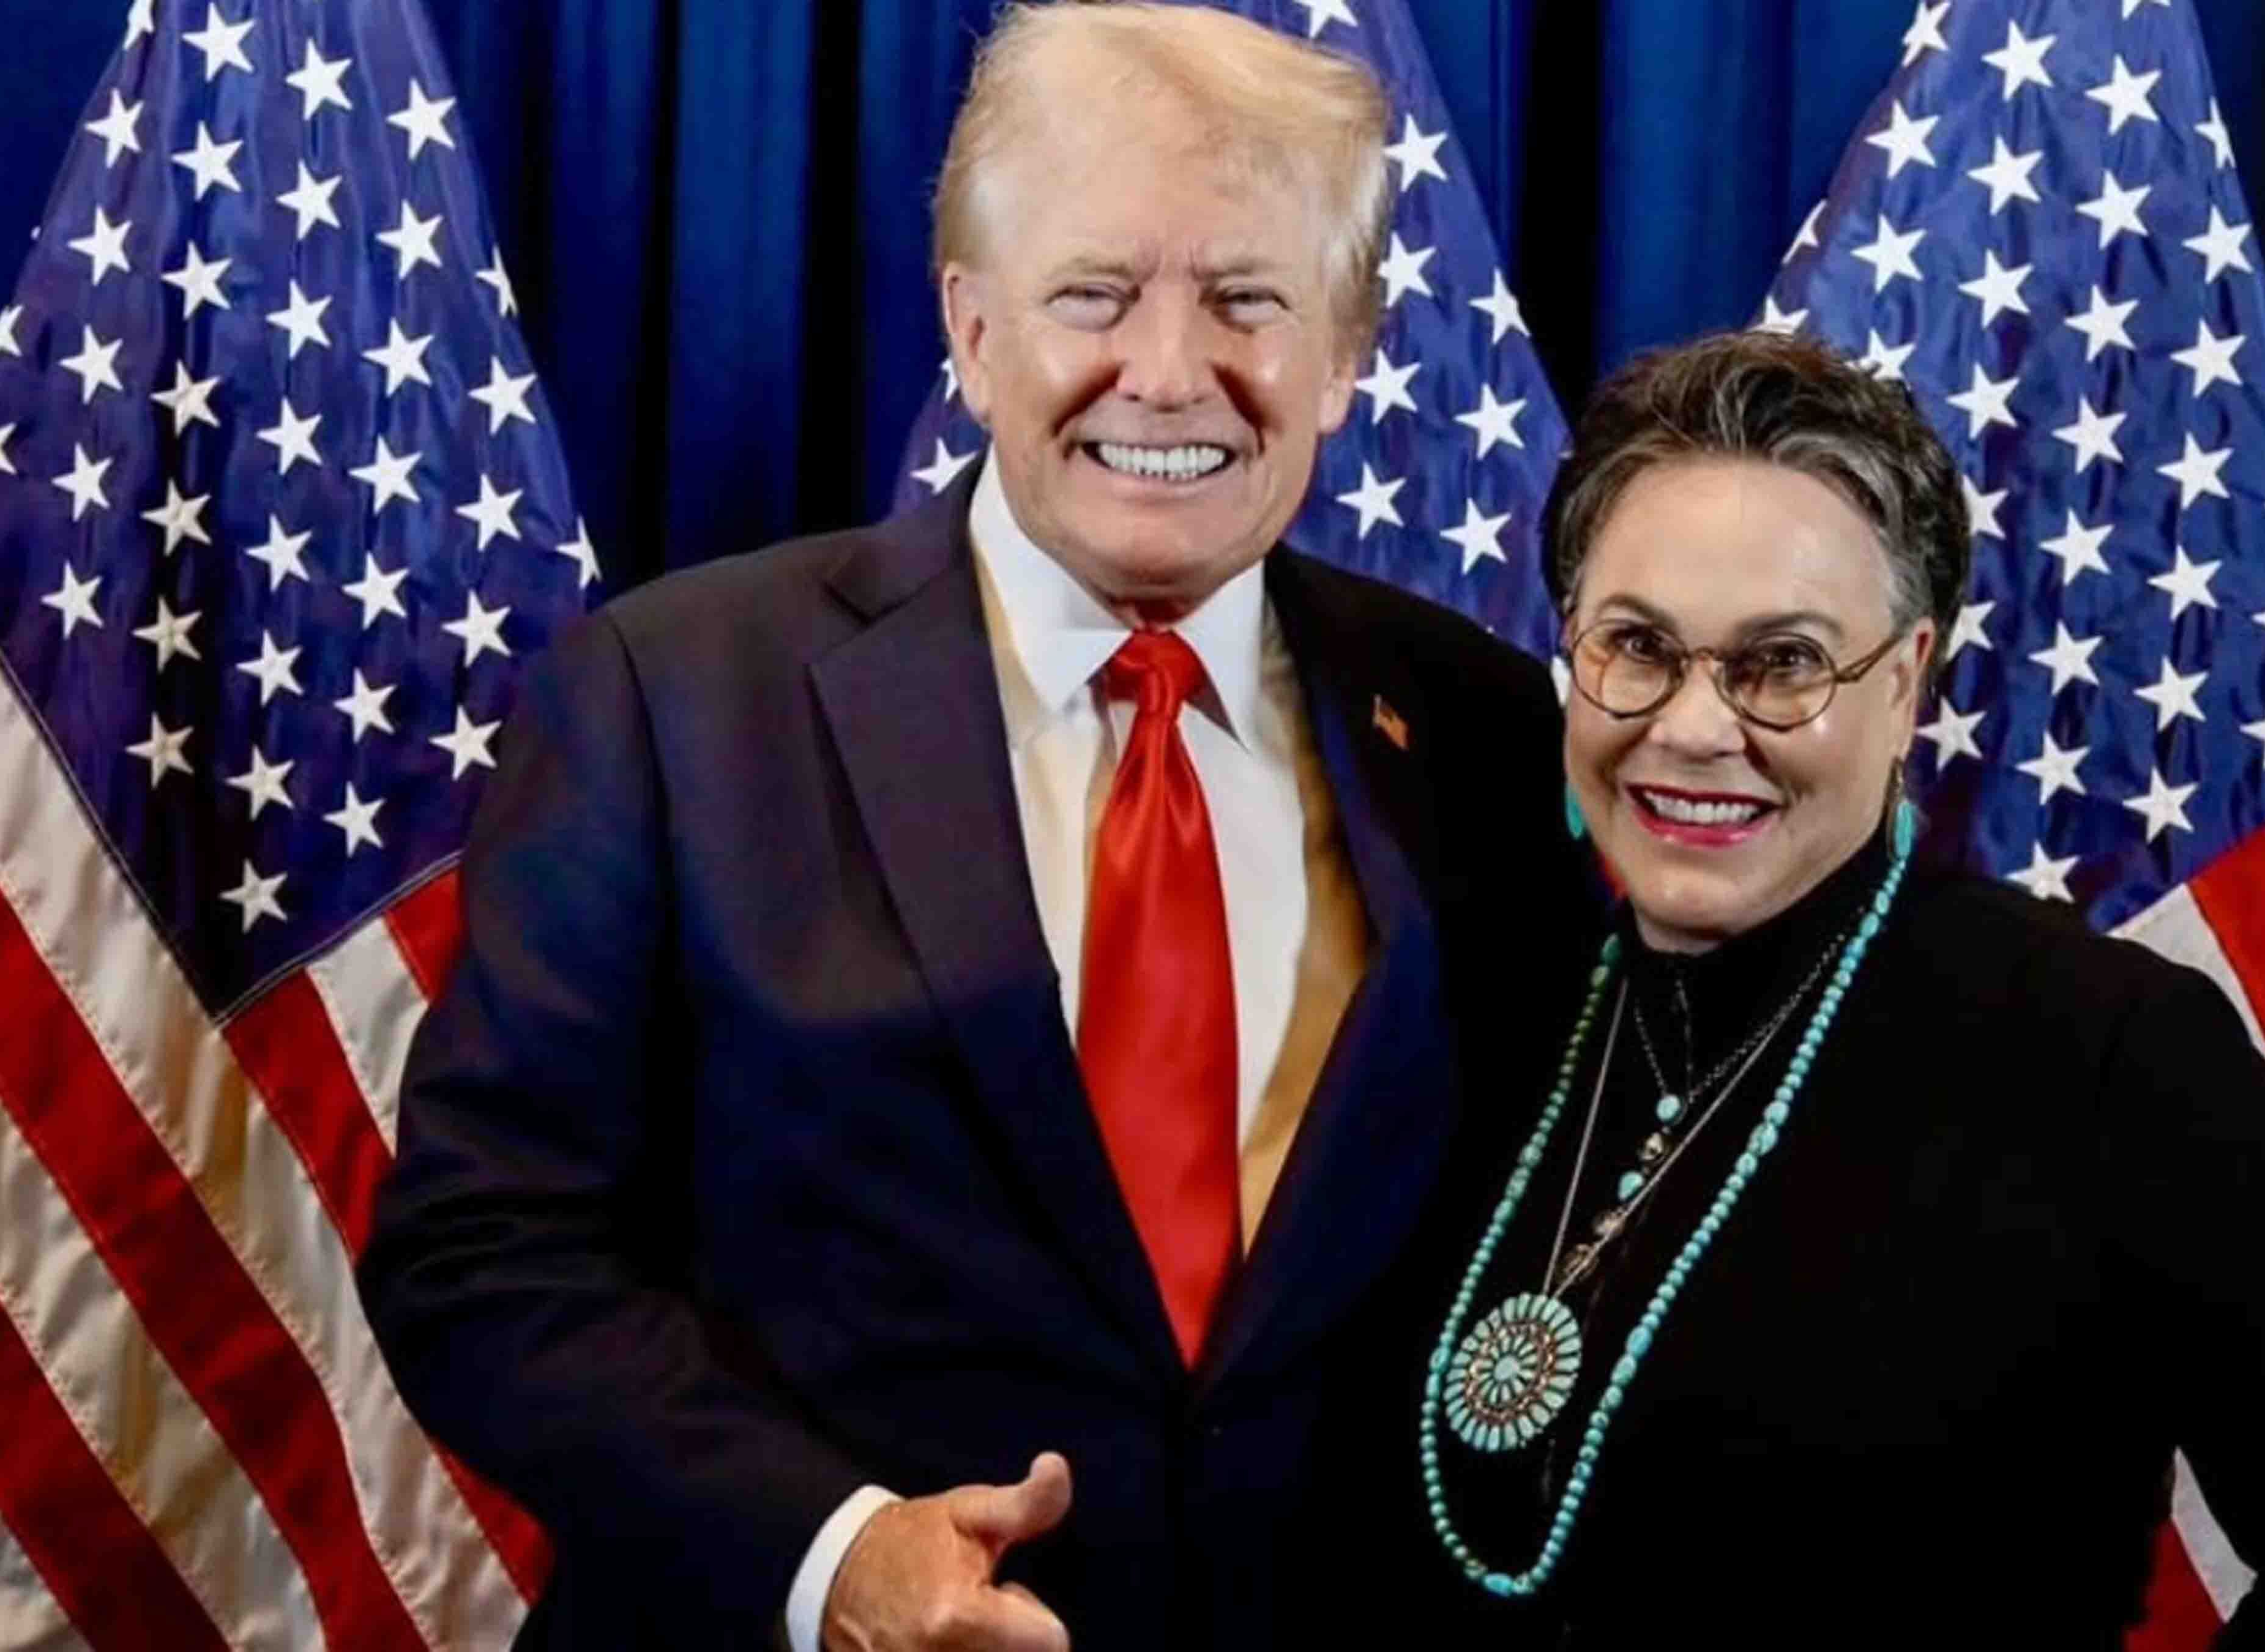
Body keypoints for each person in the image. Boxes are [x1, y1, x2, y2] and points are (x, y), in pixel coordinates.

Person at [353, 7, 1587, 1650]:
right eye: (1094, 294)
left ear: (1346, 350)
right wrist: (834, 1554)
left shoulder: (1488, 731)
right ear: (974, 327)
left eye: (1248, 299)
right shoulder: (675, 694)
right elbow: (477, 1245)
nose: (1168, 371)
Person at [1401, 331, 2265, 1646]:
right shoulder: (1490, 995)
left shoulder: (2109, 1056)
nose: (1694, 728)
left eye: (1783, 663)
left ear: (1909, 677)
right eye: (1638, 646)